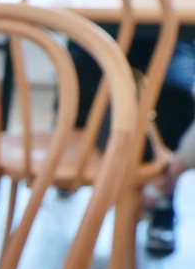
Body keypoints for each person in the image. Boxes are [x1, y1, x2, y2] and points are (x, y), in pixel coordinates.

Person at [70, 37, 195, 257]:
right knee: (83, 74)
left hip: (173, 36)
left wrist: (176, 167)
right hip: (100, 33)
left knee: (177, 89)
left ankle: (161, 189)